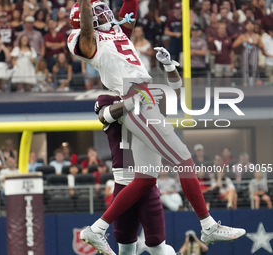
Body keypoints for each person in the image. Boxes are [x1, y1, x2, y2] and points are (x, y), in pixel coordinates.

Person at [68, 0, 245, 253]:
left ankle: (96, 229)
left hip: (145, 95)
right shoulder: (87, 40)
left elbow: (128, 11)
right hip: (135, 97)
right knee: (184, 160)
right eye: (97, 12)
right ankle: (207, 225)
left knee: (147, 177)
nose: (104, 12)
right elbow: (86, 29)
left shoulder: (115, 31)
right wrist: (86, 4)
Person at [92, 94, 177, 255]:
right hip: (123, 181)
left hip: (146, 181)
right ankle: (97, 229)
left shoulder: (147, 98)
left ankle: (97, 229)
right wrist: (135, 100)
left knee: (156, 246)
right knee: (125, 247)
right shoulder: (110, 100)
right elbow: (105, 116)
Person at [233, 20, 264, 86]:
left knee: (254, 68)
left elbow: (262, 47)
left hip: (254, 56)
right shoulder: (243, 36)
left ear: (254, 26)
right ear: (245, 26)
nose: (250, 26)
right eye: (248, 24)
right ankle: (245, 82)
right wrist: (243, 40)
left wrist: (257, 43)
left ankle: (255, 82)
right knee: (245, 68)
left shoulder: (257, 36)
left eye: (251, 24)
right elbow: (234, 45)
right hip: (245, 56)